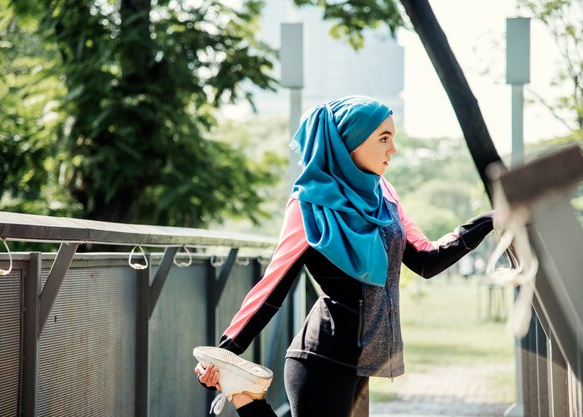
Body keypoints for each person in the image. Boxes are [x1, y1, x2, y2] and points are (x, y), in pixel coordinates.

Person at [194, 96, 494, 417]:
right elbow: (272, 287)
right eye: (383, 138)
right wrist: (223, 355)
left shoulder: (385, 195)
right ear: (349, 145)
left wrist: (491, 220)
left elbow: (426, 259)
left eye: (393, 138)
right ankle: (243, 396)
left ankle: (243, 395)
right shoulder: (308, 204)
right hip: (321, 359)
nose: (393, 149)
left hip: (363, 361)